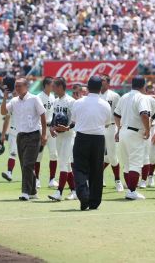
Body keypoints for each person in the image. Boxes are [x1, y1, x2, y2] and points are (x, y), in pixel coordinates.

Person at [0, 77, 48, 201]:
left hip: (33, 135)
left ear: (26, 87)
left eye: (19, 86)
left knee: (27, 164)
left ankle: (25, 192)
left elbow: (43, 115)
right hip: (20, 136)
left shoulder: (34, 98)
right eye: (16, 86)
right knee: (25, 166)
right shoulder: (14, 101)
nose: (17, 88)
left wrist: (44, 134)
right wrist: (5, 97)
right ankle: (33, 191)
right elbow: (3, 112)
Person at [71, 76, 111, 210]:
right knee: (97, 171)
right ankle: (94, 202)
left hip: (82, 137)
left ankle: (83, 195)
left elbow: (74, 120)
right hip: (98, 138)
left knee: (79, 168)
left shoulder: (78, 102)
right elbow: (106, 122)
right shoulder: (105, 104)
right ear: (100, 88)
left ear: (87, 87)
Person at [114, 75, 151, 200]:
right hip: (135, 133)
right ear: (143, 85)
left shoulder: (124, 96)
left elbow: (116, 115)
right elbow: (144, 115)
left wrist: (119, 129)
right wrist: (148, 129)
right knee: (135, 163)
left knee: (127, 164)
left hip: (123, 131)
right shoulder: (141, 97)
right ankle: (132, 191)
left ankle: (130, 190)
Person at [48, 77, 78, 201]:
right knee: (67, 166)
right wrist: (51, 128)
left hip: (69, 136)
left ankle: (59, 192)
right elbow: (54, 117)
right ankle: (75, 191)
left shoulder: (71, 101)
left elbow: (75, 120)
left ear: (60, 87)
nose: (53, 88)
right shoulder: (55, 101)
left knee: (63, 164)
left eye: (54, 86)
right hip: (59, 136)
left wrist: (67, 128)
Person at [100, 74, 123, 192]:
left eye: (103, 80)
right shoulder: (95, 95)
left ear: (108, 83)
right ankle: (99, 178)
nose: (101, 82)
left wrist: (119, 130)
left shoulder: (114, 96)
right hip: (98, 129)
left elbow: (119, 114)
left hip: (111, 127)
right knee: (99, 156)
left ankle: (118, 181)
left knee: (112, 156)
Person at [36, 77, 59, 188]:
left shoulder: (53, 97)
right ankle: (36, 180)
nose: (53, 87)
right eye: (51, 85)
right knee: (38, 155)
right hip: (41, 128)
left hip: (51, 128)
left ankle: (52, 180)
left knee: (54, 154)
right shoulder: (38, 97)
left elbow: (54, 114)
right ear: (45, 85)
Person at [139, 85, 155, 189]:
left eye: (153, 92)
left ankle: (150, 177)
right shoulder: (141, 100)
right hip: (141, 130)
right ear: (145, 92)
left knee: (152, 156)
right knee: (141, 156)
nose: (152, 94)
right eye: (149, 92)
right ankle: (142, 179)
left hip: (152, 129)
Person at [0, 111, 18, 182]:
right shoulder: (12, 103)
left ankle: (30, 175)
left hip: (25, 131)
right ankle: (9, 173)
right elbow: (7, 119)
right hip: (13, 132)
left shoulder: (29, 101)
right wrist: (3, 134)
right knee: (12, 154)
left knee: (26, 155)